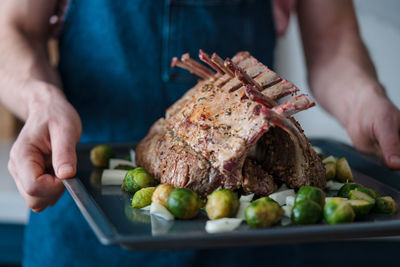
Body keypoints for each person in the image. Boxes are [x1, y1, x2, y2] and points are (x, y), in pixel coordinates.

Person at [0, 0, 399, 266]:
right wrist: (40, 100)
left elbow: (333, 47)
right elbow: (12, 27)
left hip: (253, 234)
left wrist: (367, 100)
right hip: (84, 210)